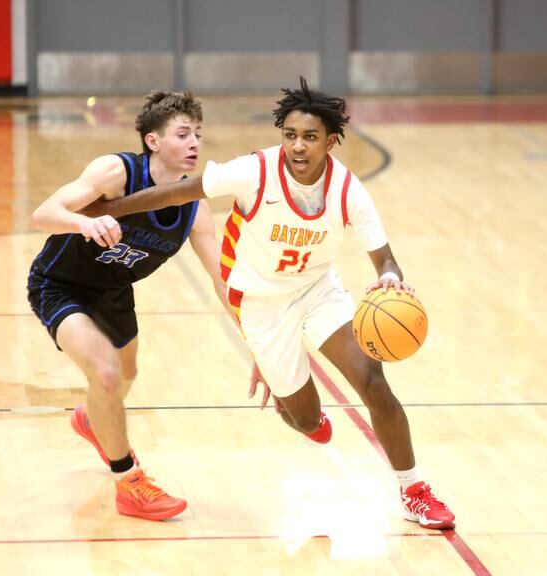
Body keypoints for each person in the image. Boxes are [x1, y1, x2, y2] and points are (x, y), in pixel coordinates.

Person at [81, 78, 455, 530]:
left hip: (319, 291)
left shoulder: (347, 188)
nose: (298, 146)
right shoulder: (254, 170)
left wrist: (392, 279)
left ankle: (413, 490)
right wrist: (110, 210)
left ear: (331, 141)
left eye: (311, 137)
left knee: (373, 381)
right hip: (260, 304)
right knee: (309, 421)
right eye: (291, 135)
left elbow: (384, 256)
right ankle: (289, 400)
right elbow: (180, 192)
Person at [28, 90, 228, 522]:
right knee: (105, 373)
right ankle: (129, 482)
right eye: (182, 133)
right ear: (153, 141)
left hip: (114, 290)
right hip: (61, 284)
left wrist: (263, 346)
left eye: (198, 134)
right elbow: (43, 213)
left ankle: (91, 420)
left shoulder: (194, 206)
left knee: (125, 375)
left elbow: (222, 282)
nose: (194, 142)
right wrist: (85, 220)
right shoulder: (116, 172)